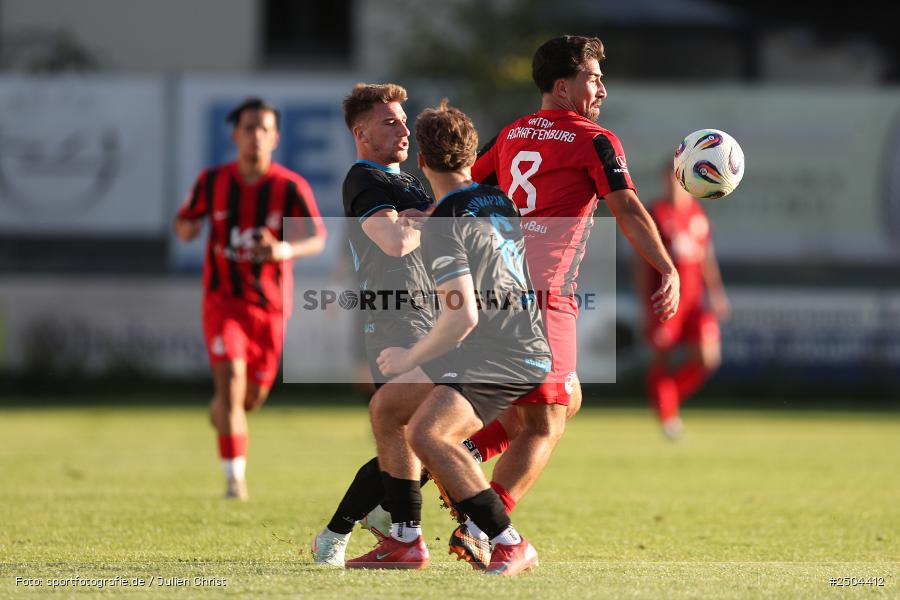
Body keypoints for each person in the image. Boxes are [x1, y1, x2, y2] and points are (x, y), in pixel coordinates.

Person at [440, 34, 680, 564]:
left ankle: (463, 456)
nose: (602, 88)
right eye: (594, 77)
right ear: (562, 84)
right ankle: (485, 524)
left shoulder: (512, 134)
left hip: (495, 292)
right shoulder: (595, 139)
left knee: (563, 400)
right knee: (546, 419)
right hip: (543, 299)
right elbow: (629, 209)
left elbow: (460, 188)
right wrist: (666, 266)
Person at [344, 99, 551, 576]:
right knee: (388, 408)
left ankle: (509, 542)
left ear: (422, 160)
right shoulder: (496, 199)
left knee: (428, 433)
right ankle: (405, 540)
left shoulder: (443, 221)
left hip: (500, 351)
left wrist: (411, 354)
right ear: (472, 153)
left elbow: (462, 317)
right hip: (518, 338)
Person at [173, 97, 327, 500]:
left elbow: (317, 237)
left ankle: (222, 412)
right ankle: (234, 480)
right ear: (234, 135)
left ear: (275, 137)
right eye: (248, 127)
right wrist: (186, 227)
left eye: (263, 128)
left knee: (249, 399)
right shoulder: (213, 181)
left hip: (270, 307)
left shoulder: (290, 186)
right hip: (223, 301)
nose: (255, 135)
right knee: (232, 383)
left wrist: (281, 250)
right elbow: (185, 222)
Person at [311, 83, 436, 566]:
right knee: (433, 427)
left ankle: (379, 520)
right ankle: (382, 525)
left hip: (430, 317)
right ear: (361, 132)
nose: (404, 129)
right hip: (395, 321)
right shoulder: (365, 179)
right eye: (390, 122)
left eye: (404, 119)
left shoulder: (411, 184)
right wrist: (427, 218)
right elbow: (394, 243)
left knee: (423, 435)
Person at [635, 165, 729, 440]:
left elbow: (706, 258)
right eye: (672, 176)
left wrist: (716, 292)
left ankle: (667, 400)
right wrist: (645, 305)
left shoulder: (697, 213)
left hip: (695, 303)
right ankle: (668, 417)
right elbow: (641, 262)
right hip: (665, 300)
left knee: (708, 358)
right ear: (665, 178)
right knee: (661, 360)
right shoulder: (656, 213)